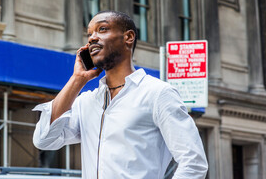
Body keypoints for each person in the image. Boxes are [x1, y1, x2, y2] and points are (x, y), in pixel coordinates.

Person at [33, 11, 208, 178]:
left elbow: (193, 162)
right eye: (89, 34)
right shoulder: (86, 101)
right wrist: (77, 79)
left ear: (128, 37)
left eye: (102, 29)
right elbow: (44, 139)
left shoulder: (158, 94)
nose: (93, 38)